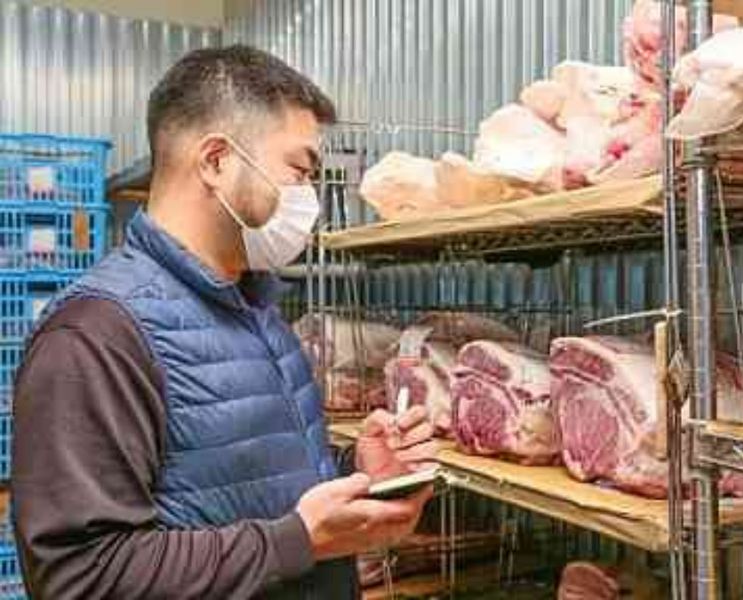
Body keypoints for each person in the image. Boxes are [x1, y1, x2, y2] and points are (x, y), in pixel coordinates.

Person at [11, 45, 438, 599]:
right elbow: (80, 576)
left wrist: (353, 469)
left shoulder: (254, 306)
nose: (308, 199)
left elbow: (240, 484)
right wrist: (296, 542)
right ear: (216, 161)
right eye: (299, 171)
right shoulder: (96, 335)